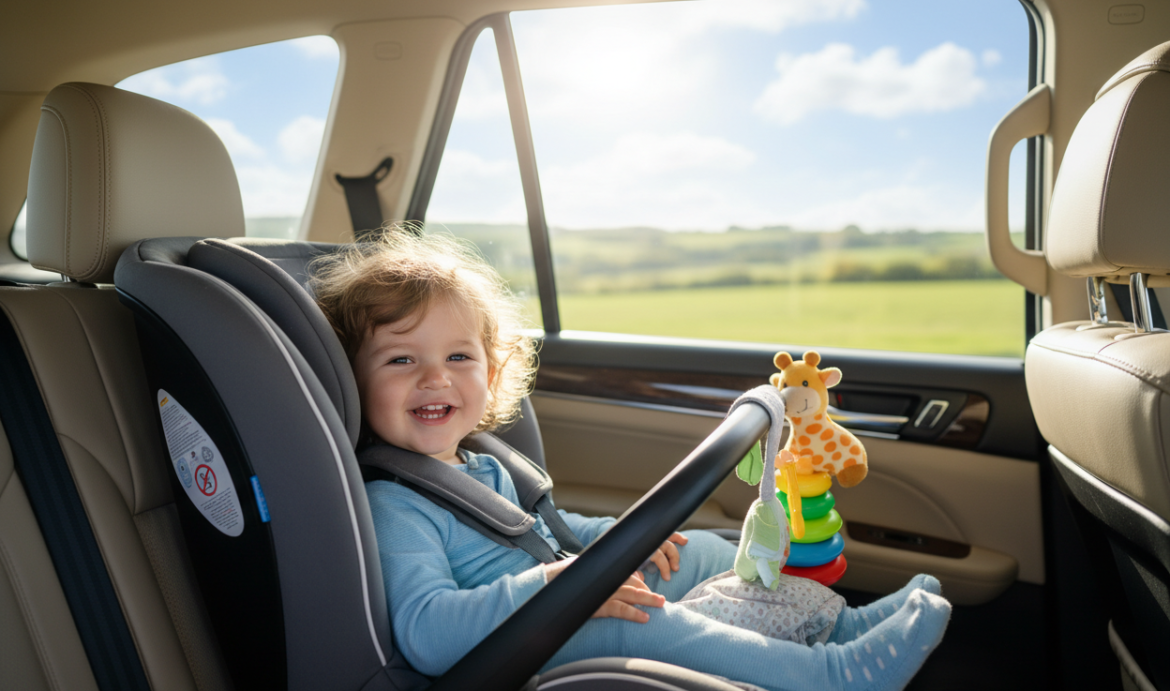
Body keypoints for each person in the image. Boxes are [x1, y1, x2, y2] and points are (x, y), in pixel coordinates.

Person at [312, 229, 951, 691]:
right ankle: (831, 676)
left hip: (555, 599)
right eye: (401, 359)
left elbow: (551, 531)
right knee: (640, 620)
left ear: (490, 370)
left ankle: (838, 624)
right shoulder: (394, 504)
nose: (435, 378)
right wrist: (554, 587)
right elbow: (427, 635)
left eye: (459, 357)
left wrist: (624, 543)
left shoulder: (482, 462)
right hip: (515, 649)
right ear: (350, 381)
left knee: (701, 550)